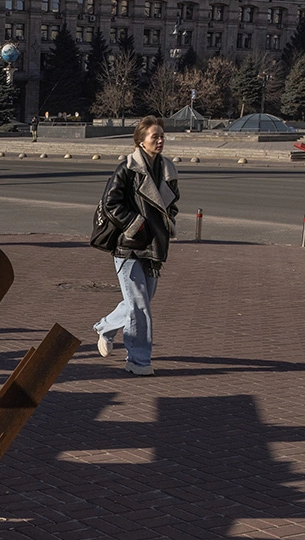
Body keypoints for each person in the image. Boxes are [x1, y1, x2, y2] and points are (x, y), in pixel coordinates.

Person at [93, 116, 178, 376]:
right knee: (139, 305)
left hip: (153, 246)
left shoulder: (167, 169)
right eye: (155, 136)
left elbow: (172, 204)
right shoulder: (127, 169)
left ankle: (105, 327)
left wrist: (168, 222)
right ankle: (138, 360)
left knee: (141, 302)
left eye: (162, 135)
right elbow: (111, 203)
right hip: (128, 245)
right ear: (141, 141)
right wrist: (136, 225)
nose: (160, 140)